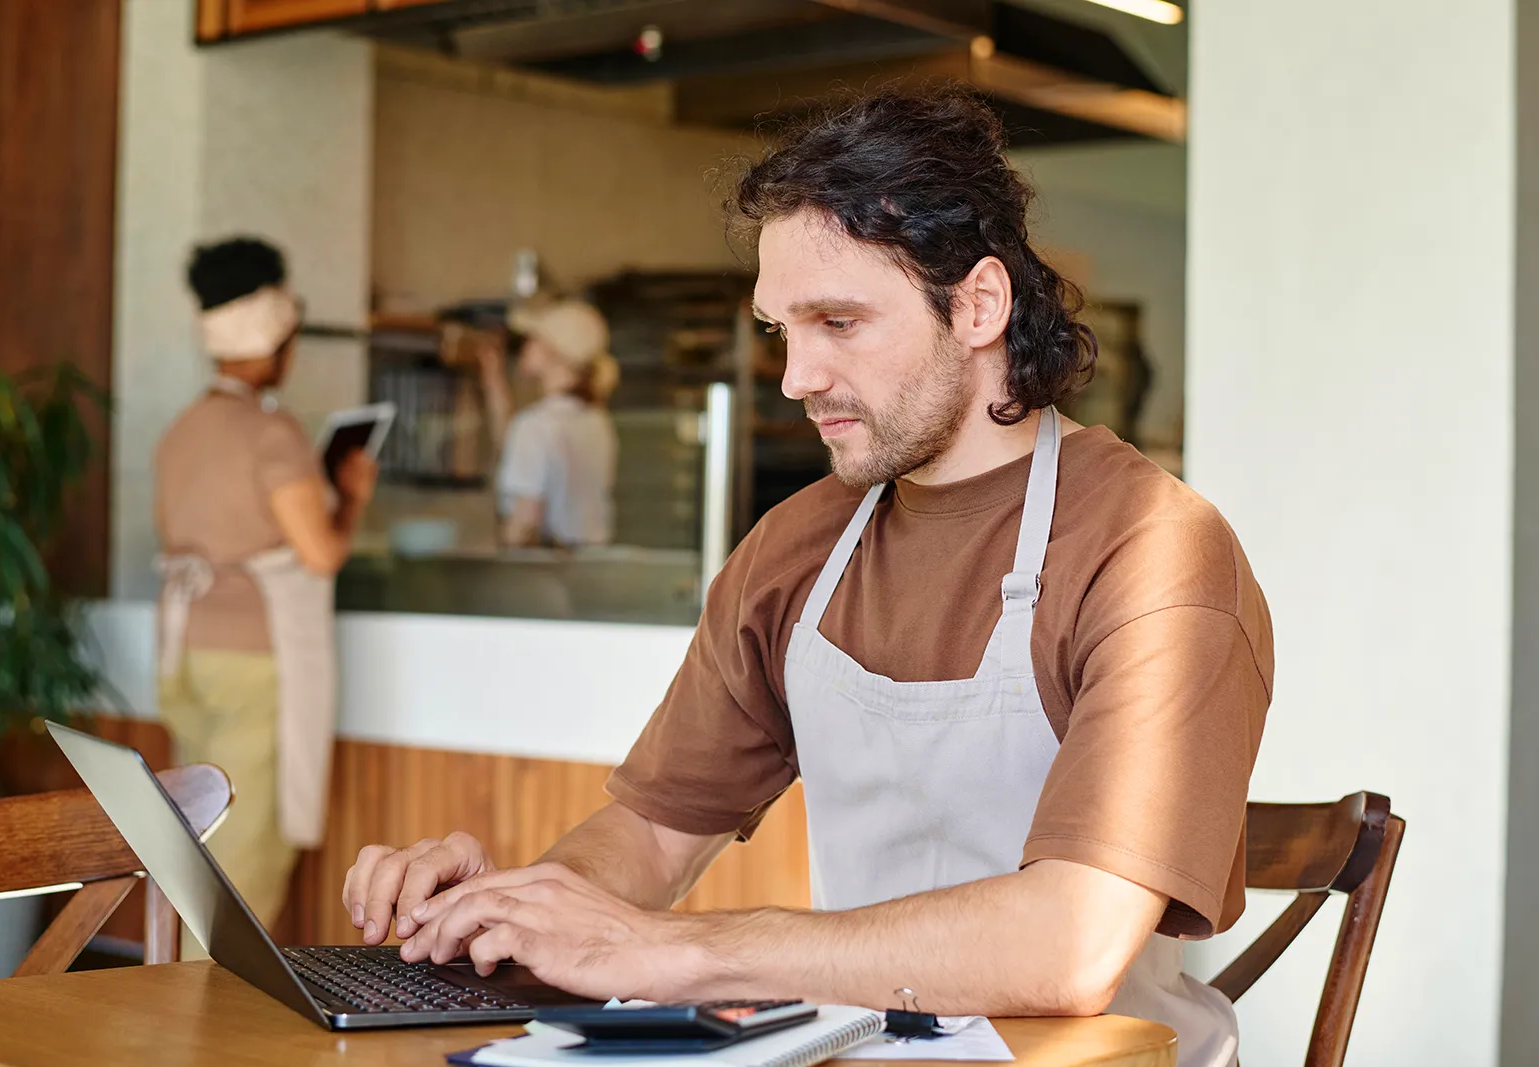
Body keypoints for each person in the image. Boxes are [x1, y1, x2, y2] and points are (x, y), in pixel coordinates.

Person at [341, 86, 1271, 1067]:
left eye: (838, 321)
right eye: (784, 330)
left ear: (980, 305)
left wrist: (686, 951)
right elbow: (655, 835)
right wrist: (519, 903)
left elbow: (1070, 944)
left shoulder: (1152, 552)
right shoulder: (796, 548)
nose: (796, 377)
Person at [155, 236, 377, 936]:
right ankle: (203, 1032)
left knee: (198, 842)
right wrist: (354, 496)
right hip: (259, 662)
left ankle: (177, 1014)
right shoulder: (271, 433)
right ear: (278, 334)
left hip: (187, 653)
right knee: (243, 860)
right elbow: (320, 552)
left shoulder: (181, 430)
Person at [493, 298, 619, 547]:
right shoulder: (597, 422)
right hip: (589, 571)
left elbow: (525, 523)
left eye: (533, 338)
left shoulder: (535, 425)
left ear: (554, 351)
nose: (525, 345)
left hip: (548, 574)